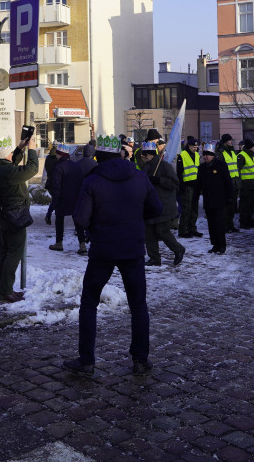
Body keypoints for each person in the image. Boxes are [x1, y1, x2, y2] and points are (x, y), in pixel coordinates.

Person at [64, 134, 163, 375]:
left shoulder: (92, 181)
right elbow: (156, 208)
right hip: (132, 248)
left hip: (103, 249)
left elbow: (80, 219)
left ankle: (86, 360)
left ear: (99, 157)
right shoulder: (139, 176)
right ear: (120, 153)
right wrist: (135, 218)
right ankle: (140, 359)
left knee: (89, 303)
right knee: (138, 305)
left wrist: (94, 225)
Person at [0, 136, 39, 303]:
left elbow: (11, 163)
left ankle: (3, 291)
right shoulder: (7, 172)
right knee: (13, 253)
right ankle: (7, 292)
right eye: (10, 152)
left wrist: (19, 148)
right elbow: (32, 169)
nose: (12, 154)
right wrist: (32, 149)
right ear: (4, 155)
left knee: (5, 252)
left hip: (4, 216)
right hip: (14, 217)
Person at [141, 141, 185, 266]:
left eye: (144, 155)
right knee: (149, 233)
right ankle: (154, 258)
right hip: (149, 205)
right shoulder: (146, 167)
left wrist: (159, 180)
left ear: (150, 155)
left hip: (163, 205)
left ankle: (178, 249)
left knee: (162, 231)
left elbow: (175, 184)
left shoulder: (164, 166)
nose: (143, 158)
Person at [50, 145, 96, 254]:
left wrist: (53, 204)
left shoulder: (58, 167)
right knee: (77, 222)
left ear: (60, 155)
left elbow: (56, 187)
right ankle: (82, 245)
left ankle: (59, 243)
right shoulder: (76, 166)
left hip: (62, 199)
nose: (56, 156)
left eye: (57, 154)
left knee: (59, 220)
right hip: (76, 198)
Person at [197, 143, 234, 254]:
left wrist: (230, 197)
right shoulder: (202, 168)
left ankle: (222, 245)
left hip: (219, 200)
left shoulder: (221, 165)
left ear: (213, 155)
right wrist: (195, 198)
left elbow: (228, 182)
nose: (206, 157)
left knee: (219, 223)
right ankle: (215, 244)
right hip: (208, 200)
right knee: (211, 224)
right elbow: (199, 184)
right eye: (204, 155)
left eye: (208, 155)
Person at [176, 136, 202, 238]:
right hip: (186, 186)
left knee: (194, 208)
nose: (195, 148)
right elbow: (179, 172)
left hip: (195, 186)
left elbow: (197, 170)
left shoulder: (197, 155)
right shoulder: (182, 155)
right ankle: (183, 230)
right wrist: (181, 185)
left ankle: (192, 229)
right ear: (189, 146)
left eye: (196, 147)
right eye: (193, 147)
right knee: (186, 209)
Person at [218, 134, 239, 233]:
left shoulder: (232, 151)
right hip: (226, 183)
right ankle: (225, 226)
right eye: (229, 140)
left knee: (232, 206)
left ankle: (231, 225)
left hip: (234, 182)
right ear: (225, 142)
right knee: (226, 206)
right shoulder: (221, 153)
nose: (231, 142)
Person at [236, 139, 254, 229]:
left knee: (251, 203)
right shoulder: (242, 155)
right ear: (250, 147)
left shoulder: (251, 155)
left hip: (252, 184)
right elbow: (238, 170)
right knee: (245, 204)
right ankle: (243, 222)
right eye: (253, 147)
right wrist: (240, 184)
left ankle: (249, 220)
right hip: (245, 184)